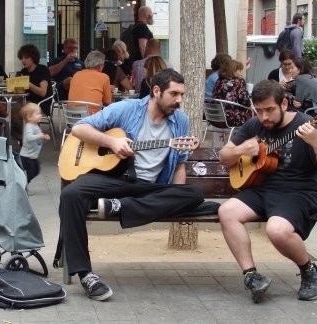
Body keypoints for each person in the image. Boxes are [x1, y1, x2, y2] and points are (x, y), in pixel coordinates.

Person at [59, 69, 206, 301]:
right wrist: (111, 142)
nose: (179, 100)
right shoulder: (127, 109)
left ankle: (119, 207)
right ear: (156, 91)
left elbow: (179, 166)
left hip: (147, 188)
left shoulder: (181, 122)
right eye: (174, 94)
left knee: (194, 194)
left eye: (182, 95)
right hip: (115, 179)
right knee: (70, 194)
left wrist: (175, 197)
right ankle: (86, 275)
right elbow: (79, 128)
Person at [218, 79, 317, 303]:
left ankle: (308, 270)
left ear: (284, 104)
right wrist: (243, 148)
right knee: (227, 212)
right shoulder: (255, 125)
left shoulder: (307, 124)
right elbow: (225, 156)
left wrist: (316, 144)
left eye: (269, 110)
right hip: (262, 189)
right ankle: (251, 275)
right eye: (259, 111)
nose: (264, 117)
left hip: (299, 192)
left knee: (276, 230)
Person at [68, 50, 112, 114]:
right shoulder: (104, 77)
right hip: (92, 118)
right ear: (99, 66)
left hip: (71, 117)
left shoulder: (76, 75)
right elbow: (107, 102)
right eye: (103, 65)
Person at [212, 59, 252, 127]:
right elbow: (246, 102)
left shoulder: (218, 81)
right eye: (239, 70)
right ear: (233, 70)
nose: (241, 73)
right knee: (255, 117)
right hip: (231, 119)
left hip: (215, 118)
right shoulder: (239, 81)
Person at [17, 44, 53, 116]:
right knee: (5, 106)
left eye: (26, 57)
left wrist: (28, 84)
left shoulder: (42, 70)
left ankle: (25, 126)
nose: (23, 60)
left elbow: (42, 92)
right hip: (25, 101)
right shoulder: (23, 71)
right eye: (21, 58)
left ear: (33, 58)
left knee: (17, 108)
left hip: (40, 105)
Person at [19, 103, 51, 183]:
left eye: (40, 113)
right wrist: (40, 136)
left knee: (36, 171)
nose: (40, 115)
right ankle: (23, 185)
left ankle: (24, 184)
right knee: (31, 172)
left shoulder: (35, 126)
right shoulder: (29, 126)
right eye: (37, 114)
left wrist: (44, 138)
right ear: (29, 117)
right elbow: (28, 138)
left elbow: (38, 141)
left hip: (33, 155)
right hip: (26, 156)